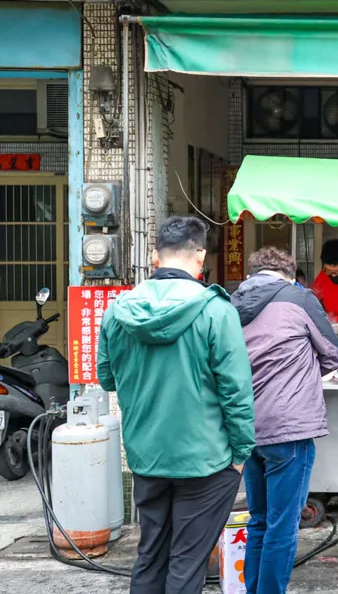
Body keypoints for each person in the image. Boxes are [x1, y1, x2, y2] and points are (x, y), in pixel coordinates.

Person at [96, 216, 255, 594]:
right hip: (206, 459)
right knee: (187, 560)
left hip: (147, 455)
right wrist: (242, 452)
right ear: (201, 255)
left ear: (155, 256)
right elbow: (236, 390)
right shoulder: (216, 310)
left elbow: (107, 378)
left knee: (151, 554)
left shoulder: (119, 310)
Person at [231, 247, 338, 594]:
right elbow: (333, 353)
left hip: (247, 427)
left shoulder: (232, 304)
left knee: (259, 520)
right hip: (289, 426)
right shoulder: (299, 297)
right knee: (282, 525)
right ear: (290, 274)